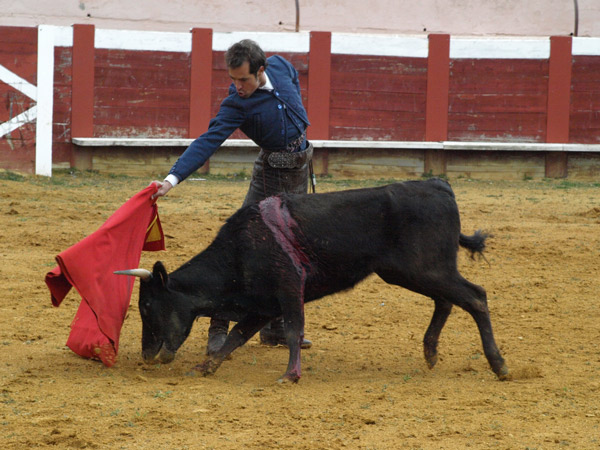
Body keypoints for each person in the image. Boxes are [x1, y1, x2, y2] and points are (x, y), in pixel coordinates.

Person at [152, 39, 314, 356]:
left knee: (290, 250)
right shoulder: (236, 105)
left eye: (244, 79)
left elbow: (292, 78)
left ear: (261, 70)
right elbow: (207, 141)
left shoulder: (281, 66)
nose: (238, 87)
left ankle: (275, 327)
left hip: (299, 171)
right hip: (269, 176)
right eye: (233, 79)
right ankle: (218, 325)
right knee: (239, 247)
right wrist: (172, 180)